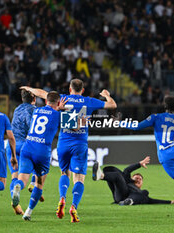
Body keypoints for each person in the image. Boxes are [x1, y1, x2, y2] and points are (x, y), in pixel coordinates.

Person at [21, 78, 117, 222]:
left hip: (63, 143)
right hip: (80, 143)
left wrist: (29, 89)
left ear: (70, 89)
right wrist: (106, 95)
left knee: (64, 172)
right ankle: (73, 207)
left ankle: (62, 198)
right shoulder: (89, 101)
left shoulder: (63, 98)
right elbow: (112, 105)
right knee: (79, 178)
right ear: (82, 90)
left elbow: (42, 94)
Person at [11, 91, 67, 221]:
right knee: (39, 183)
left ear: (46, 102)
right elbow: (73, 128)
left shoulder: (36, 111)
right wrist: (62, 110)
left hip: (28, 147)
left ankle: (18, 186)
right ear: (58, 103)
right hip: (42, 152)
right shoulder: (58, 115)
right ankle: (28, 212)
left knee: (23, 179)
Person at [92, 156, 174, 205]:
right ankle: (101, 175)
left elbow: (154, 201)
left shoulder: (142, 192)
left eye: (140, 179)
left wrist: (172, 202)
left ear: (141, 184)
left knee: (144, 193)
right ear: (131, 178)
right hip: (121, 193)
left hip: (123, 198)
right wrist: (139, 164)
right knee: (110, 169)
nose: (138, 178)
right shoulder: (127, 181)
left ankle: (129, 201)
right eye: (136, 177)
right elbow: (127, 171)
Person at [5, 89, 38, 215]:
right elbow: (32, 126)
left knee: (14, 176)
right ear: (33, 99)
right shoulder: (33, 110)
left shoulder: (17, 109)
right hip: (25, 145)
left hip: (12, 145)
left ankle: (16, 205)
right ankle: (33, 182)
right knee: (34, 167)